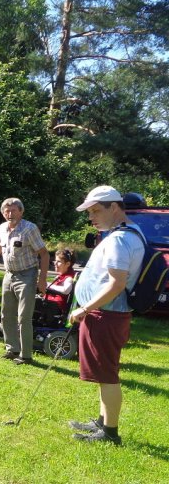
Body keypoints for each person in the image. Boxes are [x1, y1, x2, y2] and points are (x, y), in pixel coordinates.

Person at [68, 186, 144, 445]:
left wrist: (85, 308)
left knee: (107, 375)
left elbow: (116, 284)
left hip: (106, 315)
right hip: (106, 313)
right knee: (103, 373)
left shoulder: (120, 239)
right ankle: (102, 422)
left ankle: (110, 433)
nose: (91, 217)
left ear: (114, 207)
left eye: (96, 211)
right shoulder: (125, 233)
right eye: (89, 212)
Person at [0, 198, 50, 365]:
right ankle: (12, 349)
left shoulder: (29, 228)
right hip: (9, 274)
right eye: (6, 211)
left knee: (24, 317)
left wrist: (42, 279)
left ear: (21, 212)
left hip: (27, 275)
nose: (10, 214)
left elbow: (44, 254)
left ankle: (26, 355)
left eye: (13, 210)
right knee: (6, 314)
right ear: (3, 213)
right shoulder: (2, 227)